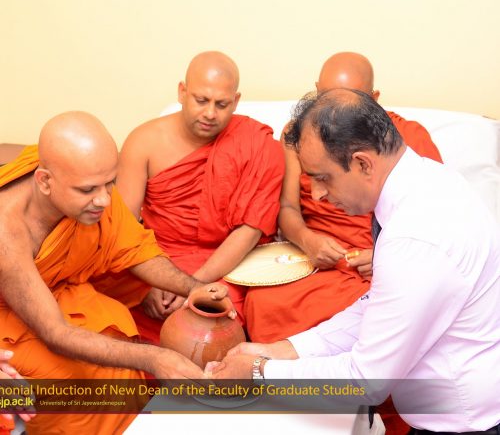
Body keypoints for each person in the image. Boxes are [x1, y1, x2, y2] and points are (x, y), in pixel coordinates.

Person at [208, 89, 500, 434]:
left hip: (464, 425)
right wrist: (282, 350)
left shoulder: (415, 237)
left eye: (322, 177)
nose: (316, 194)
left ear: (363, 163)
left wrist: (258, 373)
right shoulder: (426, 181)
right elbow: (377, 307)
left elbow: (365, 382)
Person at [0, 112, 232, 435]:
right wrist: (153, 359)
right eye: (88, 190)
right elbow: (56, 334)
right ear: (45, 181)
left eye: (110, 182)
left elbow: (131, 246)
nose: (105, 200)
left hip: (53, 294)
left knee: (117, 335)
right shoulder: (7, 233)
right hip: (10, 323)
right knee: (73, 380)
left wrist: (194, 287)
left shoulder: (84, 180)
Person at [244, 52, 443, 343]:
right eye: (325, 99)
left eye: (349, 102)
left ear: (374, 99)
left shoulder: (404, 137)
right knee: (263, 303)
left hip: (378, 262)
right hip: (319, 262)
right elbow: (287, 206)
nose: (334, 115)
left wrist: (383, 255)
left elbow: (435, 218)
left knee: (389, 307)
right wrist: (308, 240)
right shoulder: (299, 136)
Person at [116, 51, 285, 342]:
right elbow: (122, 229)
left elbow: (249, 232)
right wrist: (147, 283)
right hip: (157, 259)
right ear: (182, 92)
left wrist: (193, 286)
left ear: (236, 101)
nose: (210, 113)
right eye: (201, 100)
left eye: (221, 104)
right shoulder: (144, 141)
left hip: (226, 266)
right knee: (109, 321)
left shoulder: (258, 144)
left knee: (208, 327)